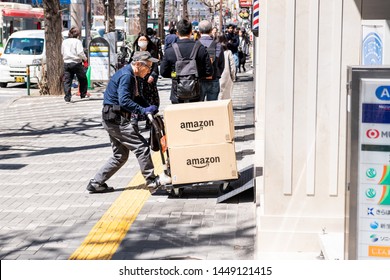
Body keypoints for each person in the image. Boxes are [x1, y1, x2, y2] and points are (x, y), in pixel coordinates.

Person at [87, 51, 164, 194]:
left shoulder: (131, 74)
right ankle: (152, 182)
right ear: (139, 65)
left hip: (112, 118)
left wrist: (147, 107)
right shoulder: (127, 76)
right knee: (142, 148)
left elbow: (136, 97)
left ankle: (96, 183)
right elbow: (124, 101)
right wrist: (144, 110)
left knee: (120, 156)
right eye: (148, 67)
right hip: (117, 119)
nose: (149, 70)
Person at [160, 19, 213, 104]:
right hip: (196, 92)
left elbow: (163, 72)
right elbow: (209, 71)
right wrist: (196, 74)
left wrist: (175, 75)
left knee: (178, 116)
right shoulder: (200, 48)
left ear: (177, 33)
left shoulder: (170, 50)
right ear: (191, 32)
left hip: (176, 92)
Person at [129, 34, 160, 129]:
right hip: (138, 81)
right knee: (137, 99)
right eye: (140, 40)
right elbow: (130, 65)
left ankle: (149, 120)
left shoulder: (152, 53)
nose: (142, 41)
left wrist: (152, 76)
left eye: (144, 39)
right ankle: (134, 120)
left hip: (149, 82)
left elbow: (155, 67)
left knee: (150, 100)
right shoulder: (134, 53)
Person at [198, 20, 224, 101]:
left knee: (198, 106)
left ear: (199, 31)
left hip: (199, 79)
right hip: (214, 77)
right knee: (212, 107)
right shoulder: (217, 45)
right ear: (211, 30)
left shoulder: (195, 45)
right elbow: (221, 64)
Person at [62, 26, 88, 102]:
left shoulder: (64, 42)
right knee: (82, 78)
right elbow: (80, 52)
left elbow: (62, 52)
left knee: (67, 80)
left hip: (66, 62)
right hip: (76, 63)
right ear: (77, 35)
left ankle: (67, 97)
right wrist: (85, 58)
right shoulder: (77, 42)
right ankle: (83, 94)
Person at [217, 35, 236, 100]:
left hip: (218, 75)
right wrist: (233, 77)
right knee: (227, 96)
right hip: (227, 75)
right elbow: (232, 66)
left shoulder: (215, 51)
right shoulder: (228, 52)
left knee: (219, 94)